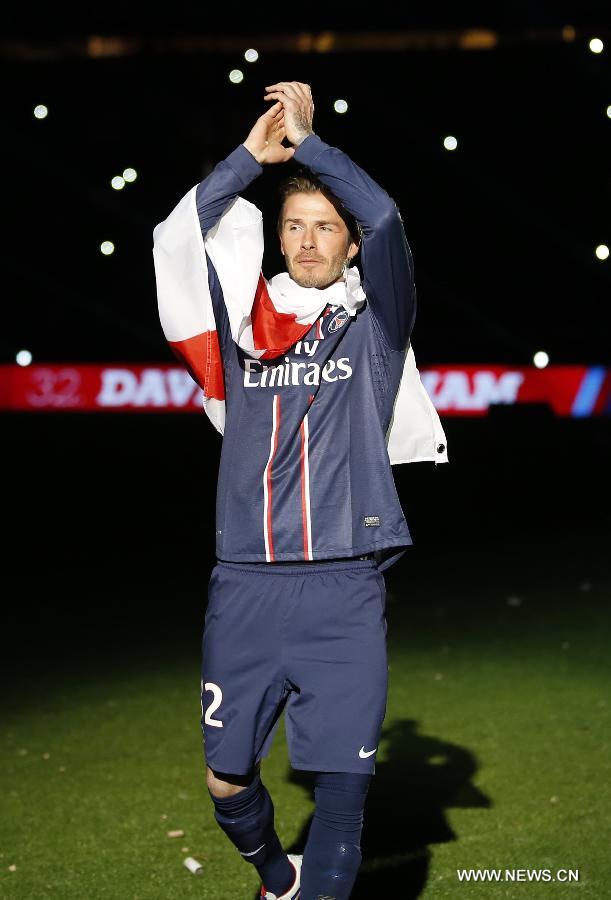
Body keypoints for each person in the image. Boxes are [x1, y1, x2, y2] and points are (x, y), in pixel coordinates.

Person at [153, 80, 447, 900]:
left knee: (342, 801)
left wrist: (312, 145)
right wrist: (250, 159)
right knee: (224, 783)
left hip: (344, 587)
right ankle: (275, 875)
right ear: (276, 238)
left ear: (350, 247)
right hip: (243, 584)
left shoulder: (375, 324)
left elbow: (385, 217)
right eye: (294, 225)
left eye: (325, 228)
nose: (309, 242)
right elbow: (178, 238)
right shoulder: (242, 329)